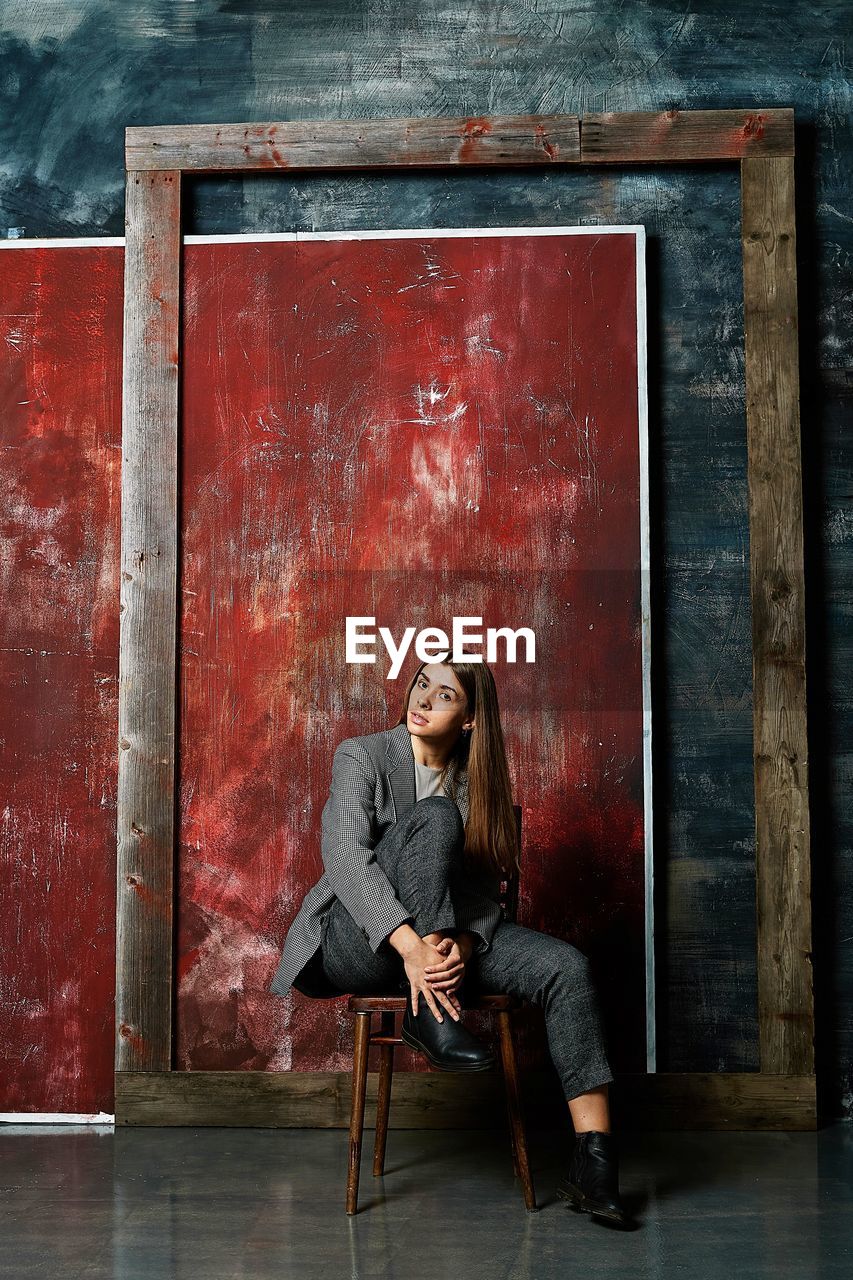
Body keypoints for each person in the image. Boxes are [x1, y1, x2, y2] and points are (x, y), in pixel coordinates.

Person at [270, 658, 630, 1228]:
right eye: (421, 685)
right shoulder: (363, 755)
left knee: (568, 967)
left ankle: (596, 1165)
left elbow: (488, 895)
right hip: (355, 943)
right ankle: (431, 1014)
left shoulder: (476, 784)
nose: (423, 700)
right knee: (434, 816)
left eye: (445, 695)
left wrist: (462, 940)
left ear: (470, 720)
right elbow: (343, 860)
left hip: (442, 950)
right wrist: (414, 948)